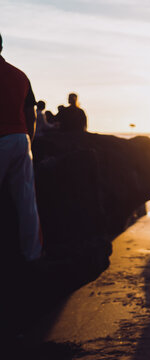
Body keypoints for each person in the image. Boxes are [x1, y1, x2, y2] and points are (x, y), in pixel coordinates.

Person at [0, 33, 42, 261]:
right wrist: (29, 142)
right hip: (20, 138)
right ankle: (33, 253)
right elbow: (31, 114)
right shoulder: (20, 75)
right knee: (26, 200)